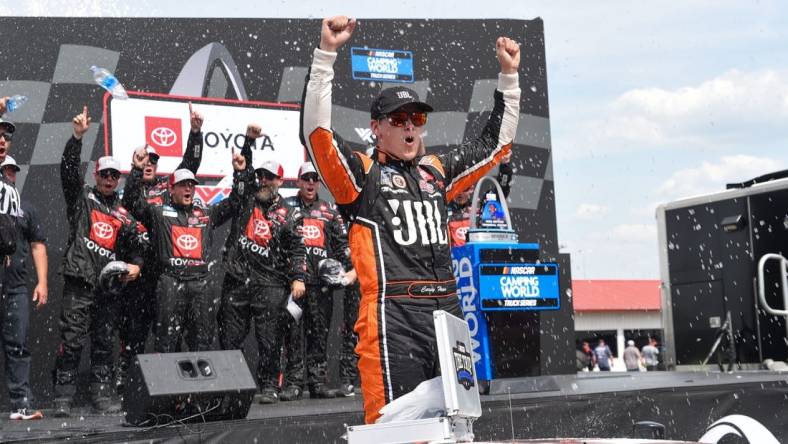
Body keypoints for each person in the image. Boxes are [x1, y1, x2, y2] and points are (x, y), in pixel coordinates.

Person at [301, 16, 521, 423]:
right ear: (376, 128)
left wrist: (509, 76)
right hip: (392, 315)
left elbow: (497, 144)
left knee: (460, 423)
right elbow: (317, 133)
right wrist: (326, 55)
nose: (409, 128)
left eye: (416, 120)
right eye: (398, 120)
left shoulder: (435, 170)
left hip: (449, 314)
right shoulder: (362, 177)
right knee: (395, 429)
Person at [53, 107, 144, 417]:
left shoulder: (123, 213)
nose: (108, 179)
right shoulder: (82, 199)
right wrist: (77, 138)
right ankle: (63, 398)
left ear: (118, 180)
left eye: (113, 175)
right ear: (96, 175)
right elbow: (67, 171)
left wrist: (137, 266)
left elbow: (141, 242)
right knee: (72, 341)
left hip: (107, 289)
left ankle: (101, 397)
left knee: (104, 346)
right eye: (104, 174)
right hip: (79, 283)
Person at [115, 103, 204, 396]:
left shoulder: (168, 191)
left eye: (154, 159)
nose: (149, 162)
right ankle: (132, 387)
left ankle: (175, 389)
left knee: (170, 335)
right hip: (138, 275)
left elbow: (189, 166)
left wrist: (194, 133)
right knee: (135, 333)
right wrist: (135, 171)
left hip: (166, 274)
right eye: (145, 160)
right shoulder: (130, 190)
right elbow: (130, 204)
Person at [123, 146, 247, 354]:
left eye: (191, 185)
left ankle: (200, 386)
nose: (188, 189)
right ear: (171, 189)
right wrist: (136, 170)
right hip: (170, 282)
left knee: (202, 340)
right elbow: (131, 202)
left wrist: (240, 174)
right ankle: (165, 386)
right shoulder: (158, 212)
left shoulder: (206, 213)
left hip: (201, 284)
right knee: (166, 340)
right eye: (182, 185)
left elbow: (236, 202)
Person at [216, 126, 307, 404]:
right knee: (229, 336)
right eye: (261, 177)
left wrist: (298, 277)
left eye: (270, 177)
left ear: (280, 180)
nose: (264, 181)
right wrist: (247, 143)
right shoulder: (246, 198)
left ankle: (268, 385)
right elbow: (243, 173)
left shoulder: (290, 213)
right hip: (238, 278)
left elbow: (298, 248)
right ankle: (232, 385)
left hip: (271, 282)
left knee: (269, 340)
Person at [282, 161, 355, 401]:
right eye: (306, 179)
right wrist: (293, 275)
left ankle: (317, 382)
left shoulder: (329, 210)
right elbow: (279, 244)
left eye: (314, 179)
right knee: (293, 335)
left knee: (319, 335)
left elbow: (342, 245)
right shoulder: (287, 208)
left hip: (321, 285)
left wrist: (348, 267)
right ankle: (293, 384)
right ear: (299, 181)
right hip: (295, 284)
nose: (311, 183)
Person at [0, 156, 47, 420]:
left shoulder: (25, 208)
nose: (8, 174)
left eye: (12, 170)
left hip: (16, 286)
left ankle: (21, 404)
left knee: (18, 345)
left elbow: (38, 244)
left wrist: (42, 281)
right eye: (4, 170)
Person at [448, 154, 513, 247]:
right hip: (452, 259)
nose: (460, 193)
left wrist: (505, 165)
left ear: (471, 188)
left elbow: (502, 188)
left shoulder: (481, 206)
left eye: (464, 188)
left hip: (476, 255)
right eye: (456, 189)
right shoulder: (442, 208)